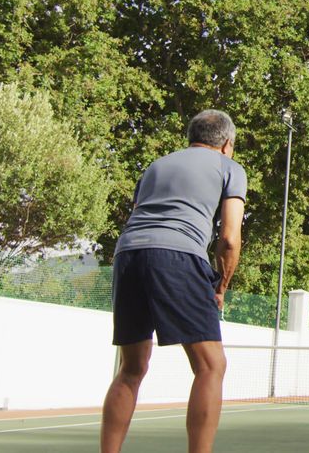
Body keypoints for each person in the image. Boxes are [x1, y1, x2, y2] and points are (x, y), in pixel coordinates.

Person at [100, 110, 247, 453]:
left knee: (131, 367)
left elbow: (139, 211)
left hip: (128, 254)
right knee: (211, 365)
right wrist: (220, 286)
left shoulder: (158, 165)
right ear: (228, 145)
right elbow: (229, 238)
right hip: (177, 255)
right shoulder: (230, 168)